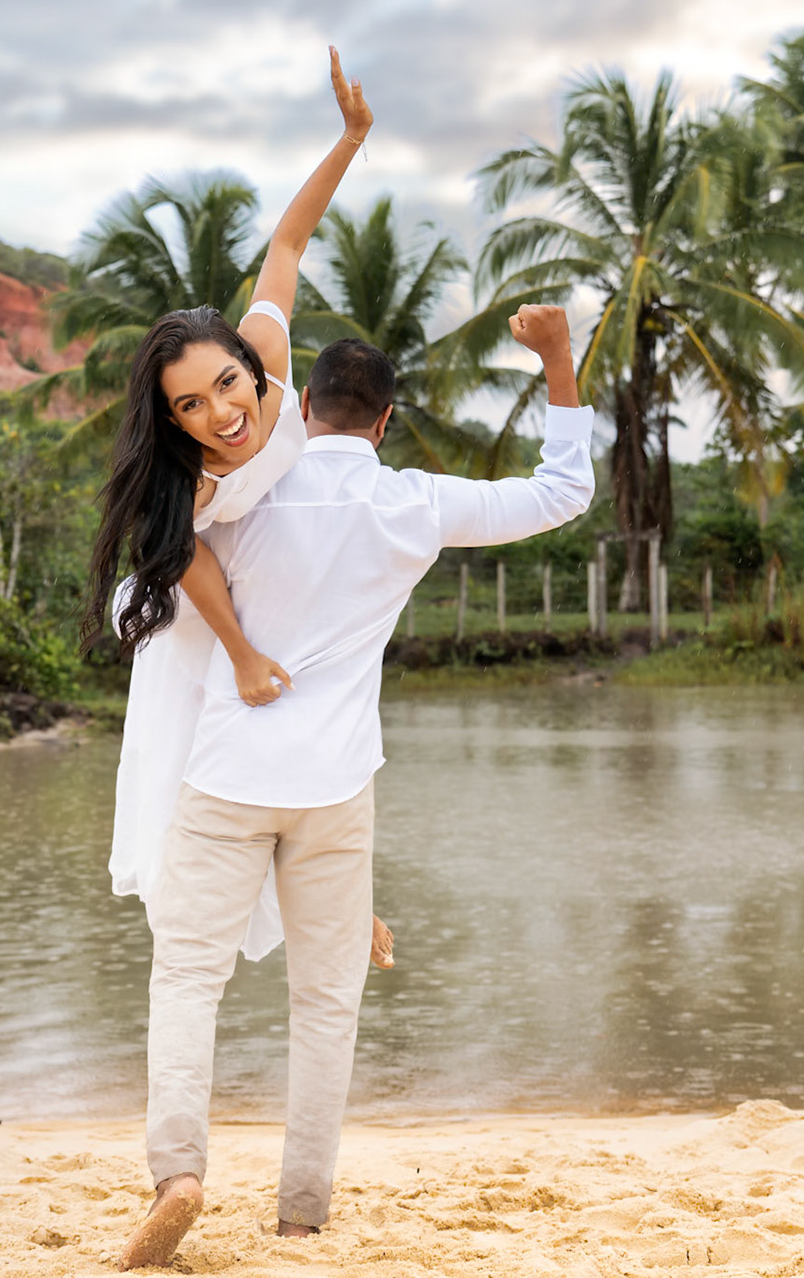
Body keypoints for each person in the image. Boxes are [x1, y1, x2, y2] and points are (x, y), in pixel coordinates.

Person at [112, 306, 594, 1268]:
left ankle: (180, 1175)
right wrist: (555, 360)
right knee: (325, 1004)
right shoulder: (412, 502)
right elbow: (563, 493)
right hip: (334, 788)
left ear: (301, 407)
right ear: (382, 422)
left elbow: (160, 573)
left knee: (188, 978)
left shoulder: (244, 492)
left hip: (231, 772)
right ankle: (300, 1216)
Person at [86, 47, 392, 971]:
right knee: (199, 766)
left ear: (249, 366)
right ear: (172, 417)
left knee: (310, 726)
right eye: (191, 405)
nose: (222, 415)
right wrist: (243, 653)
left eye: (226, 386)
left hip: (243, 575)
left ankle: (340, 902)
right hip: (185, 594)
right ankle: (310, 914)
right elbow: (186, 559)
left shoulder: (264, 349)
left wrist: (351, 137)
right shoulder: (193, 477)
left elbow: (287, 243)